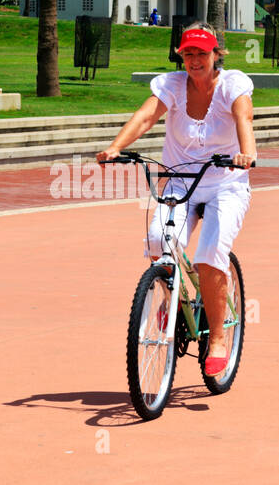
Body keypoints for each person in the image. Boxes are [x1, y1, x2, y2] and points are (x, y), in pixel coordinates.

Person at [96, 21, 257, 376]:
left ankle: (216, 338)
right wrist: (115, 148)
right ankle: (173, 297)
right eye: (188, 53)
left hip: (225, 182)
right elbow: (145, 117)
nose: (195, 60)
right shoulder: (171, 85)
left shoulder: (233, 84)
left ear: (216, 54)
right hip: (181, 182)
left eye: (202, 53)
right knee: (158, 240)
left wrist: (247, 152)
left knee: (209, 256)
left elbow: (243, 117)